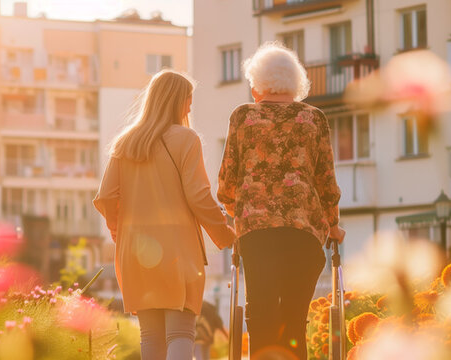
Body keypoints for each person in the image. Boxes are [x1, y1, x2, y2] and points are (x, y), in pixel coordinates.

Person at [93, 69, 236, 360]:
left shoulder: (125, 143)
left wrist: (118, 231)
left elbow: (106, 196)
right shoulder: (186, 139)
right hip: (177, 252)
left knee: (151, 337)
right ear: (174, 100)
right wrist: (226, 235)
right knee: (181, 333)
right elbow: (198, 196)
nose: (190, 107)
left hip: (134, 253)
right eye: (188, 99)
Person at [217, 42, 345, 360]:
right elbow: (326, 181)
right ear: (295, 82)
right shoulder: (314, 118)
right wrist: (334, 224)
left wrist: (237, 213)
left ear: (257, 83)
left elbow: (227, 182)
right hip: (303, 234)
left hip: (257, 232)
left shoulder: (243, 116)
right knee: (293, 323)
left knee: (260, 315)